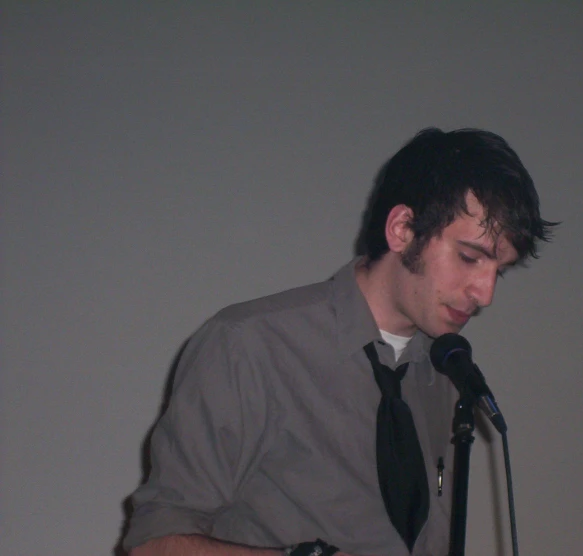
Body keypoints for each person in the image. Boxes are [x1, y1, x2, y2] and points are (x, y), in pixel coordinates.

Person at [123, 128, 554, 556]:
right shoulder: (248, 345)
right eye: (469, 257)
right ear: (402, 229)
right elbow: (151, 545)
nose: (485, 294)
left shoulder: (444, 375)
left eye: (499, 271)